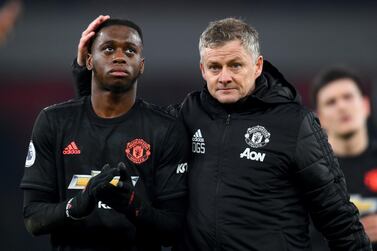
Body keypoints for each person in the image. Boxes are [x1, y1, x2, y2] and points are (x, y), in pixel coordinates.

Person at [72, 17, 371, 250]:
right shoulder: (188, 113)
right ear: (202, 69)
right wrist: (85, 71)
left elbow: (339, 218)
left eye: (235, 65)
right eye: (214, 67)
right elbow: (125, 125)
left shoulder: (296, 124)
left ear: (257, 66)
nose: (224, 77)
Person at [21, 18, 189, 251]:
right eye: (108, 48)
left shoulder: (165, 128)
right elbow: (33, 218)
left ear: (141, 65)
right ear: (89, 61)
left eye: (130, 50)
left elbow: (173, 228)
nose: (119, 56)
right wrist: (78, 205)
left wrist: (133, 205)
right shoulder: (54, 121)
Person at [310, 67, 377, 250]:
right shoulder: (306, 174)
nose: (341, 107)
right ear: (319, 118)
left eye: (348, 97)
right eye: (331, 102)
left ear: (365, 106)